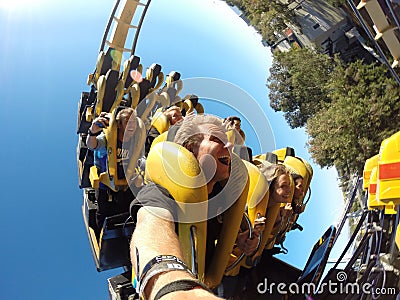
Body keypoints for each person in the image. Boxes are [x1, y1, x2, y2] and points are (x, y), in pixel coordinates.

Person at [129, 114, 259, 300]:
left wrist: (240, 242)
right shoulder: (162, 191)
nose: (229, 146)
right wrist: (173, 285)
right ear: (190, 148)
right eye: (216, 139)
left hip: (210, 284)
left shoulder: (221, 199)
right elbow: (150, 227)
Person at [87, 107, 139, 230]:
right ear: (119, 125)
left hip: (126, 181)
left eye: (134, 122)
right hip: (106, 182)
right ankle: (100, 235)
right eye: (127, 121)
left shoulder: (135, 141)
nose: (132, 125)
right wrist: (93, 132)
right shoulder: (108, 139)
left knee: (133, 207)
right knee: (103, 211)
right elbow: (92, 145)